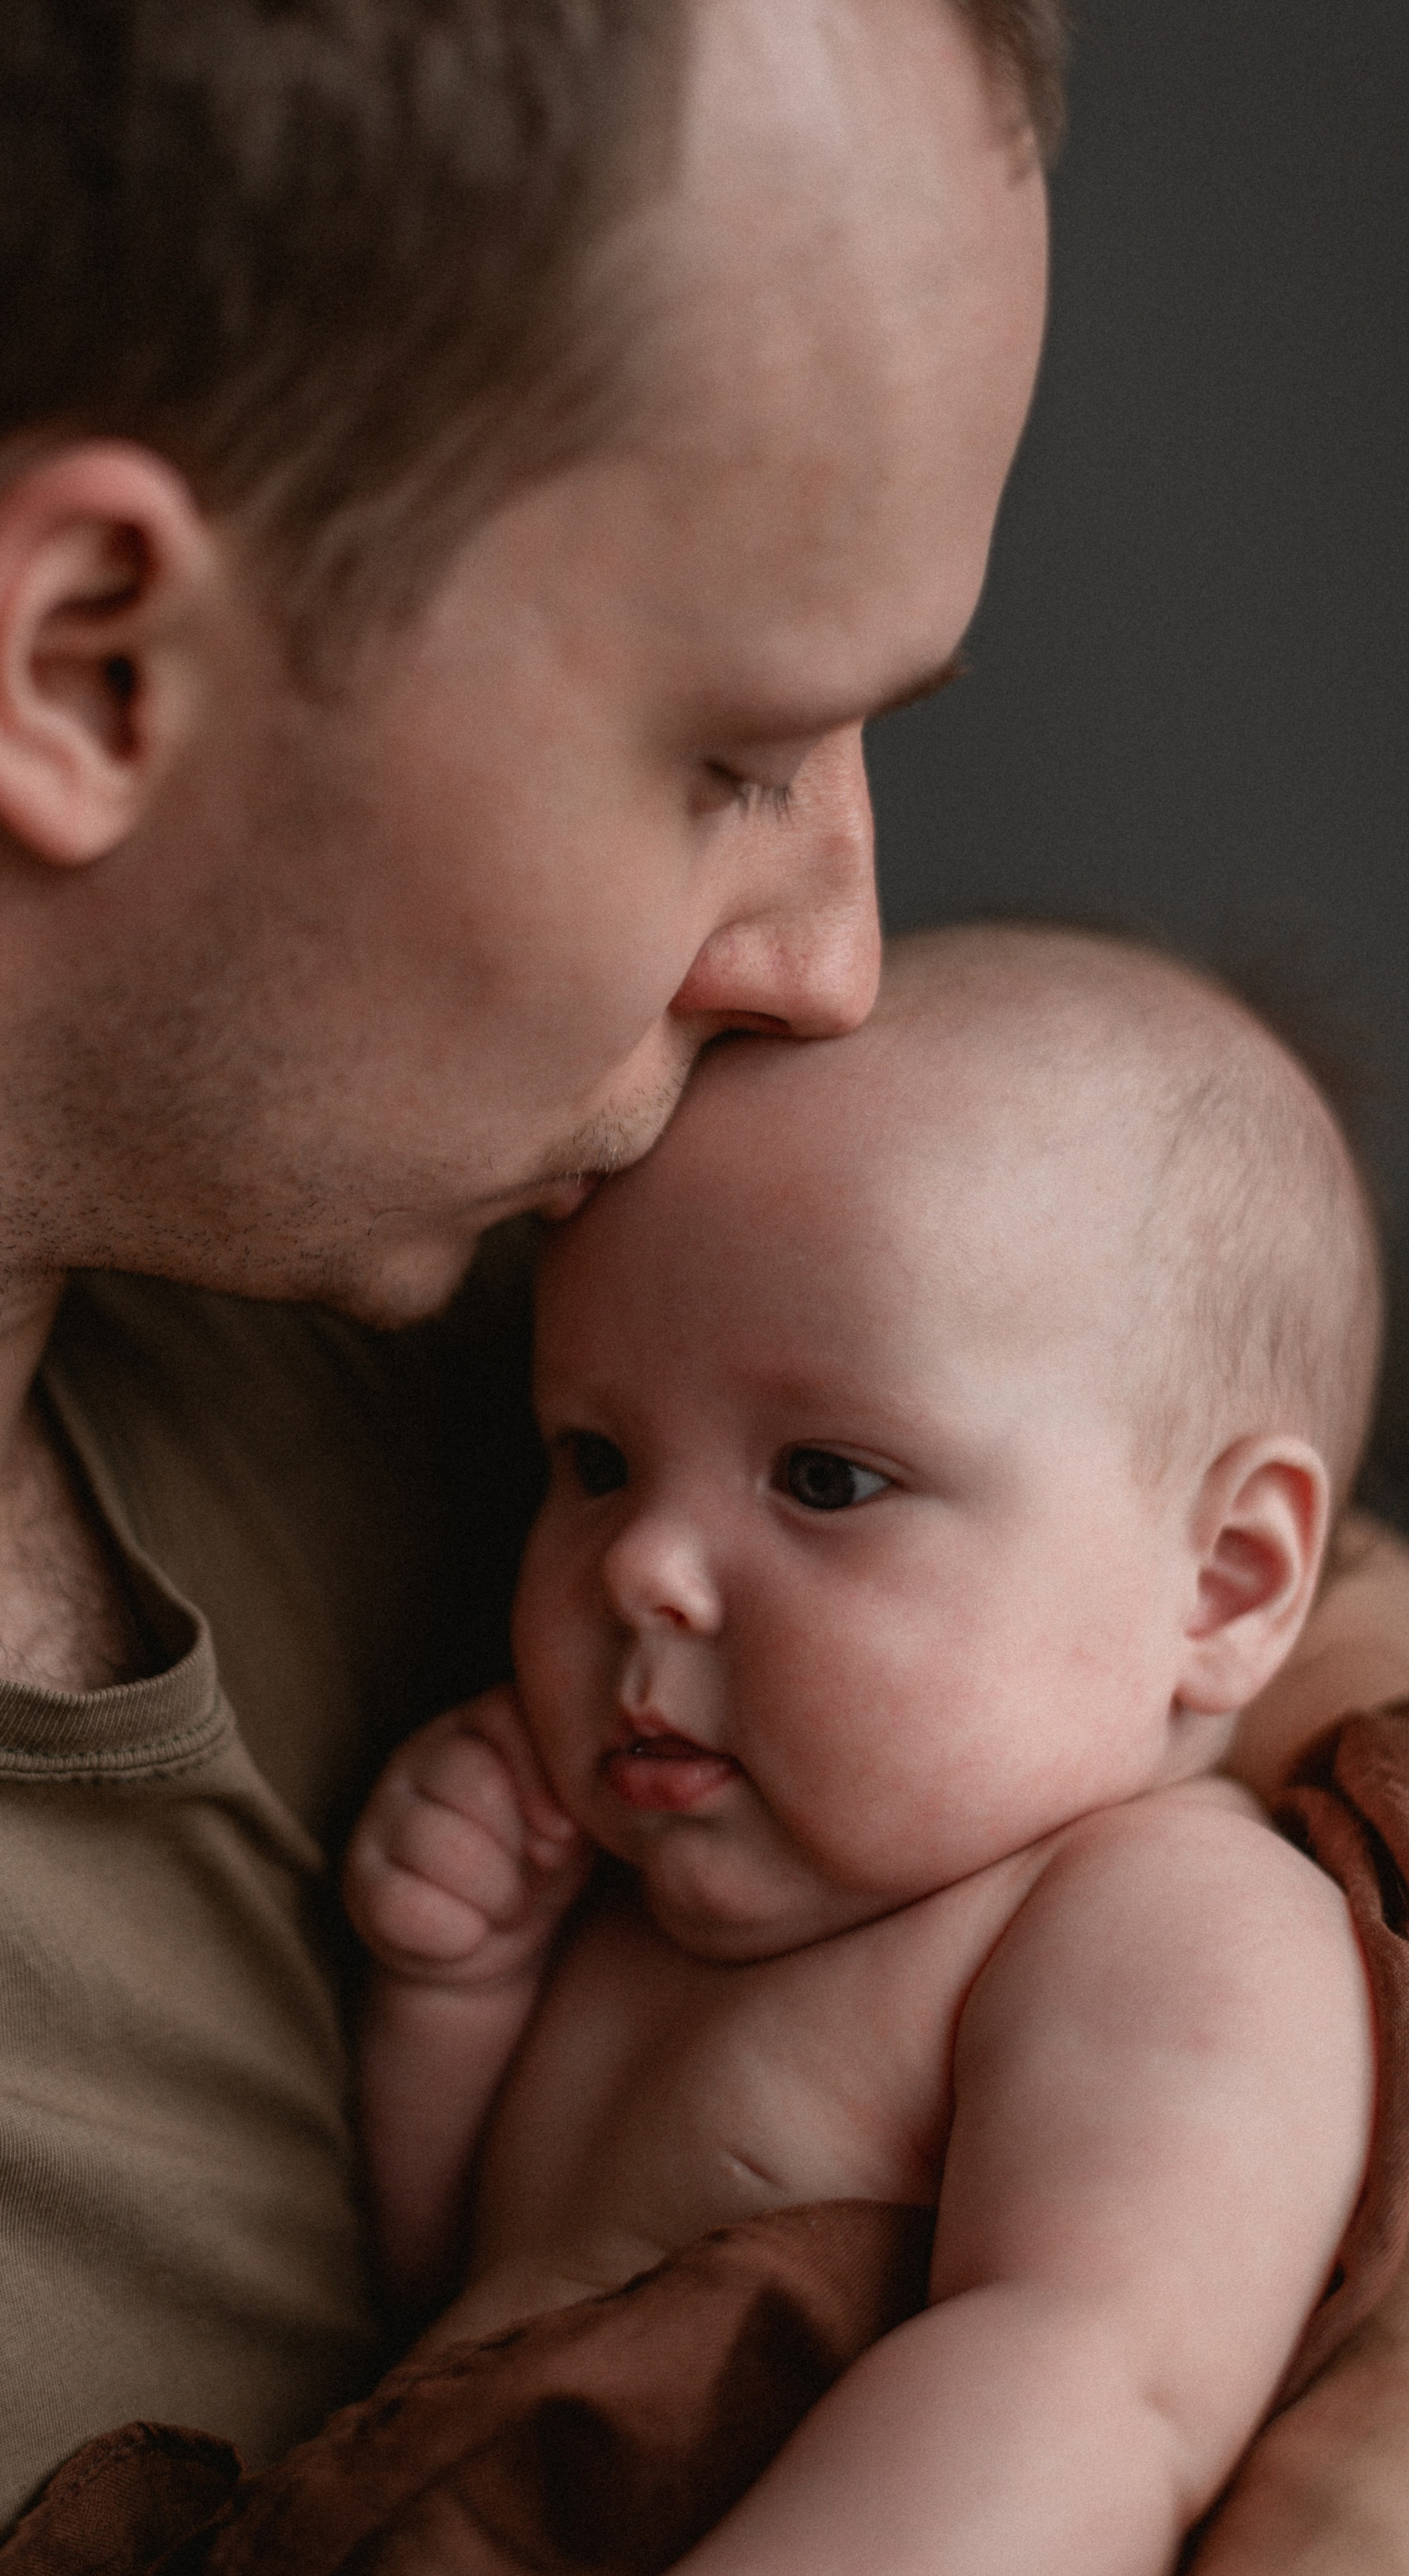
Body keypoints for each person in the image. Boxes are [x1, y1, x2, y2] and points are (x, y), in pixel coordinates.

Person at [0, 3, 1404, 2572]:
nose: (836, 957)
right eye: (734, 750)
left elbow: (1245, 1612)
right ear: (87, 670)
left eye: (822, 1476)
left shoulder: (519, 1262)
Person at [323, 924, 1379, 2573]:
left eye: (822, 1479)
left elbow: (1090, 2382)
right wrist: (455, 1998)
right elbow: (433, 2315)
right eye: (593, 1458)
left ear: (1226, 1579)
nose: (636, 1569)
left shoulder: (1164, 1918)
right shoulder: (631, 1905)